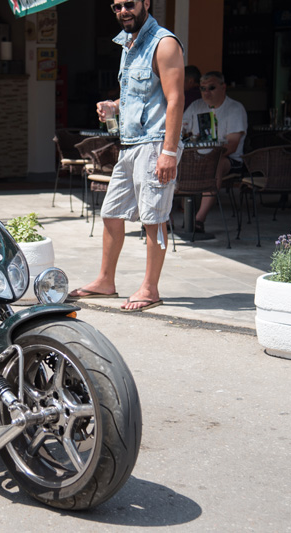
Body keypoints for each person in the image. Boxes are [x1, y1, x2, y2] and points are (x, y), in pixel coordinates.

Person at [69, 0, 184, 313]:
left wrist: (169, 152)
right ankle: (106, 281)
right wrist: (114, 106)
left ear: (146, 3)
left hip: (156, 143)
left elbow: (175, 100)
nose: (123, 11)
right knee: (111, 211)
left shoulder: (165, 43)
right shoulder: (128, 44)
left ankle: (150, 287)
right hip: (131, 143)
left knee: (154, 218)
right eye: (116, 6)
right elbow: (140, 93)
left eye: (129, 4)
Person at [182, 71, 248, 232]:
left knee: (215, 164)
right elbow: (181, 130)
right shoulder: (196, 106)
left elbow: (231, 146)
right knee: (173, 162)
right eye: (203, 88)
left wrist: (207, 158)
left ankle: (199, 219)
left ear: (223, 87)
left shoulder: (234, 109)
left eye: (211, 88)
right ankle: (169, 217)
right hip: (196, 156)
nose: (206, 92)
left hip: (227, 159)